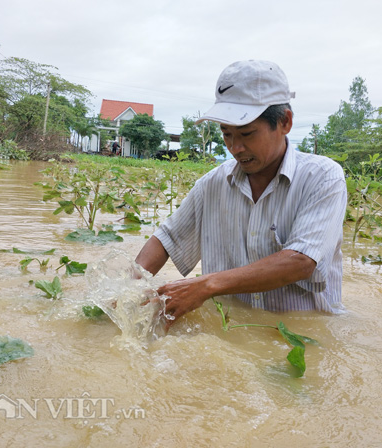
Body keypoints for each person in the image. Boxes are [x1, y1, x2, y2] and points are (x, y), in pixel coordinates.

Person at [135, 60, 347, 328]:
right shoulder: (211, 185)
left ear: (285, 122)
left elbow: (302, 261)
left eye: (246, 134)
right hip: (230, 331)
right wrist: (127, 288)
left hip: (302, 338)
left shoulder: (323, 177)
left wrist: (206, 285)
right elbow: (166, 239)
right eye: (226, 134)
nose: (235, 147)